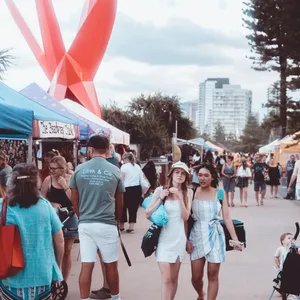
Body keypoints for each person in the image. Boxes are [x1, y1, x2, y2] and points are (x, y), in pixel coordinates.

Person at [70, 135, 125, 300]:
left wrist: (83, 216)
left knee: (86, 265)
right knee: (111, 265)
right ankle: (115, 298)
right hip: (107, 223)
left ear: (90, 149)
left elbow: (74, 200)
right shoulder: (115, 171)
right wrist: (117, 220)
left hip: (86, 224)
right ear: (108, 150)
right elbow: (120, 202)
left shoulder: (79, 169)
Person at [0, 163, 64, 299]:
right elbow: (60, 241)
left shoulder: (3, 206)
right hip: (43, 275)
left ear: (12, 182)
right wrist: (56, 267)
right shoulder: (46, 206)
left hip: (10, 277)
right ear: (37, 182)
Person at [186, 163, 244, 300]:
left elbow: (227, 217)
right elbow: (186, 217)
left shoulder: (219, 193)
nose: (202, 178)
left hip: (215, 235)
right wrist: (185, 239)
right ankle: (201, 294)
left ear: (212, 177)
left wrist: (235, 239)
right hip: (196, 235)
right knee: (196, 277)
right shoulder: (192, 193)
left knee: (212, 274)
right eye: (200, 175)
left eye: (206, 175)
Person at [145, 161, 192, 300]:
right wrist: (161, 198)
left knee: (173, 278)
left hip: (178, 239)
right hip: (163, 239)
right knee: (166, 278)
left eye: (183, 173)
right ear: (171, 174)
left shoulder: (188, 192)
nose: (180, 175)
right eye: (177, 172)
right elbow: (147, 214)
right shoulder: (160, 190)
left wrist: (178, 196)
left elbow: (185, 217)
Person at [40, 156, 78, 282]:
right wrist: (52, 204)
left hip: (70, 215)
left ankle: (64, 281)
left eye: (54, 169)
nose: (52, 171)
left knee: (67, 250)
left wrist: (65, 185)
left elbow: (75, 200)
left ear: (62, 169)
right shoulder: (48, 180)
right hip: (54, 216)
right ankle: (55, 278)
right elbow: (42, 199)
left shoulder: (71, 178)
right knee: (55, 248)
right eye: (50, 168)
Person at [120, 152, 143, 233]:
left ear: (126, 159)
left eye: (123, 159)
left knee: (123, 207)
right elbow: (141, 179)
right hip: (137, 188)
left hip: (126, 189)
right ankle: (131, 227)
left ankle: (121, 226)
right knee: (133, 209)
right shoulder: (137, 167)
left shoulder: (123, 167)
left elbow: (122, 178)